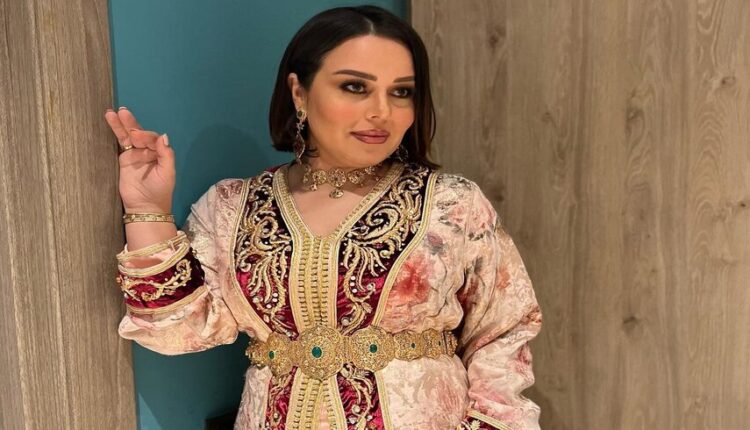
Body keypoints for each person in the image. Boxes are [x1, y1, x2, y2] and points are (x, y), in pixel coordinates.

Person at [104, 5, 542, 430]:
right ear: (299, 93)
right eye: (355, 87)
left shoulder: (451, 203)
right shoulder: (232, 206)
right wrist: (147, 209)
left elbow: (504, 334)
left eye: (401, 92)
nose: (381, 111)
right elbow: (177, 333)